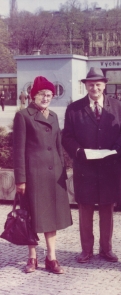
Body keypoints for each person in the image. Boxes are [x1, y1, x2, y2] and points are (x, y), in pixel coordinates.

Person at [62, 67, 121, 263]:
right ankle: (86, 250)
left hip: (109, 167)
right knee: (85, 209)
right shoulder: (74, 109)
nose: (95, 87)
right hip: (85, 168)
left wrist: (118, 149)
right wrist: (78, 152)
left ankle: (106, 249)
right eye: (91, 84)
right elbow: (67, 137)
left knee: (107, 209)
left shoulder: (118, 107)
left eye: (98, 84)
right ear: (85, 85)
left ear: (105, 85)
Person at [13, 76, 72, 274]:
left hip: (53, 174)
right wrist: (20, 179)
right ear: (33, 95)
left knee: (51, 217)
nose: (46, 98)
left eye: (49, 95)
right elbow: (18, 150)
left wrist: (62, 172)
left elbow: (58, 146)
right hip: (33, 175)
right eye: (42, 94)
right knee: (30, 216)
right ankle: (32, 258)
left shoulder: (54, 116)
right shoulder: (23, 116)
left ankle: (51, 258)